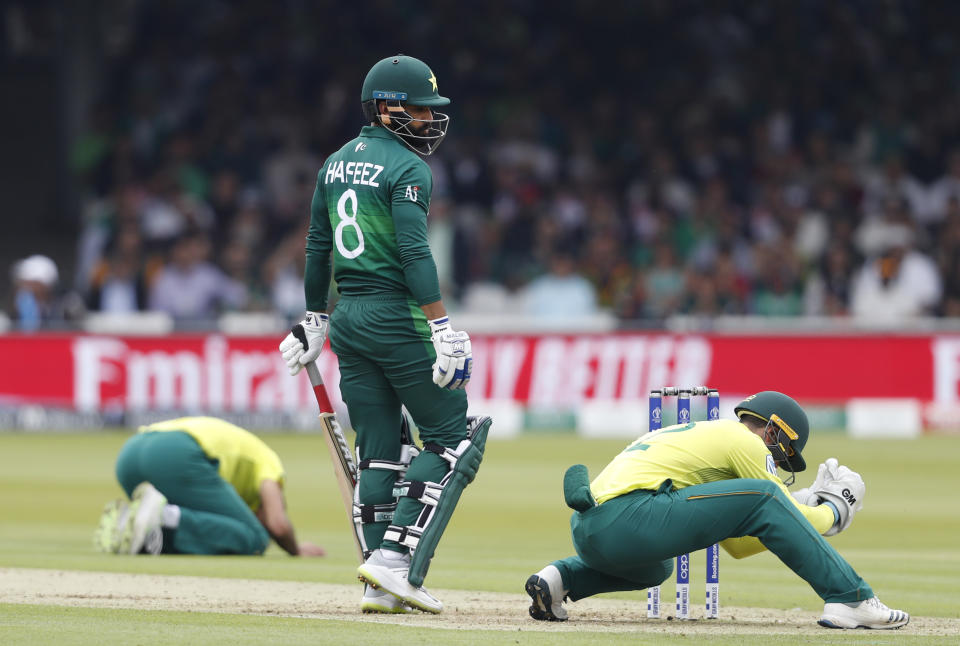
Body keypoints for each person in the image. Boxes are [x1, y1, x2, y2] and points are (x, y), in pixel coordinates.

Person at [278, 54, 491, 615]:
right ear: (383, 107)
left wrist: (314, 318)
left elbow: (318, 247)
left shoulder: (333, 163)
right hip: (398, 317)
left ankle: (377, 585)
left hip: (349, 319)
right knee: (453, 439)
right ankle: (394, 562)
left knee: (379, 455)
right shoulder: (408, 168)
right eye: (418, 108)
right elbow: (415, 251)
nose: (428, 119)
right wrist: (440, 323)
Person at [525, 391, 909, 630]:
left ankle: (560, 579)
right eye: (783, 454)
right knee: (766, 495)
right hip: (631, 516)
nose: (779, 462)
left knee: (659, 567)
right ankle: (851, 597)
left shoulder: (704, 435)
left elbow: (738, 545)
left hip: (592, 528)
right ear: (773, 432)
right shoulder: (743, 439)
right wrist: (833, 511)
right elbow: (766, 501)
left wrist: (802, 506)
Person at [93, 416, 325, 558]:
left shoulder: (213, 482)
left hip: (130, 453)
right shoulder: (269, 461)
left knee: (210, 522)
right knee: (254, 537)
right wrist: (296, 551)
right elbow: (278, 524)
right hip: (175, 453)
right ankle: (164, 517)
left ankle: (132, 526)